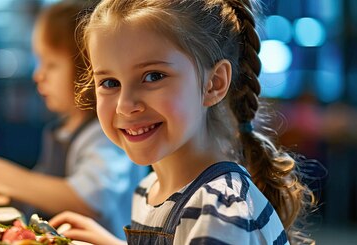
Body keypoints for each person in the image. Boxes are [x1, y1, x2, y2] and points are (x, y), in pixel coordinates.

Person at [48, 0, 315, 244]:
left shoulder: (220, 210)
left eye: (153, 76)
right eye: (109, 83)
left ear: (214, 83)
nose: (125, 105)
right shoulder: (149, 190)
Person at [0, 0, 147, 239]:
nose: (38, 75)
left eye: (50, 64)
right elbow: (39, 189)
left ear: (86, 69)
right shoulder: (62, 129)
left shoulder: (106, 134)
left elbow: (89, 200)